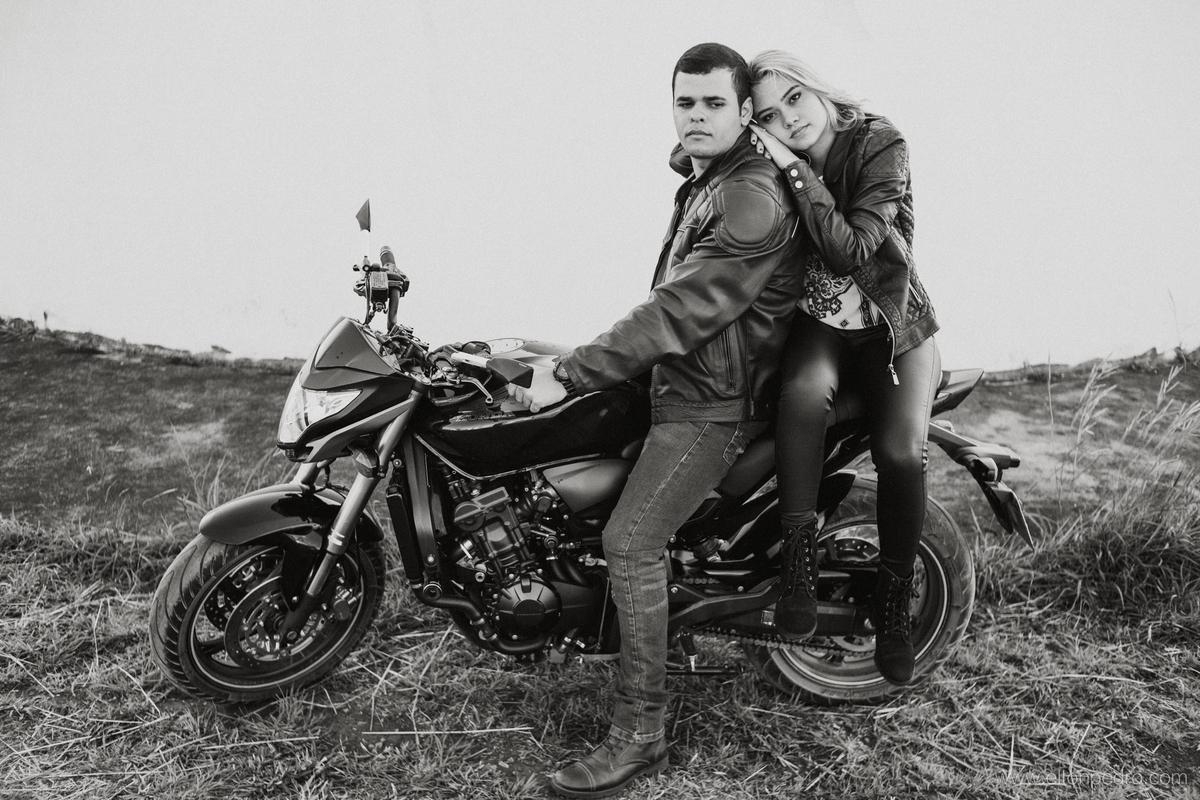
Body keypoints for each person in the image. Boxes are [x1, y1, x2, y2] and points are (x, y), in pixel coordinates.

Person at [507, 43, 801, 799]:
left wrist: (575, 370)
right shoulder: (707, 180)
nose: (696, 116)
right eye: (685, 102)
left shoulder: (750, 196)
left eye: (713, 103)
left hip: (713, 407)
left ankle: (640, 735)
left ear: (745, 111)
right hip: (680, 384)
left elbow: (681, 308)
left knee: (631, 541)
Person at [745, 49, 940, 685]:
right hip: (821, 326)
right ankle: (797, 567)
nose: (789, 119)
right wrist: (743, 132)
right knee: (802, 398)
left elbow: (853, 250)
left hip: (893, 327)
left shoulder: (881, 143)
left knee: (901, 454)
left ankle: (892, 601)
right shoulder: (766, 147)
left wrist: (792, 169)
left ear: (818, 88)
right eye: (770, 115)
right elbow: (685, 156)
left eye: (794, 98)